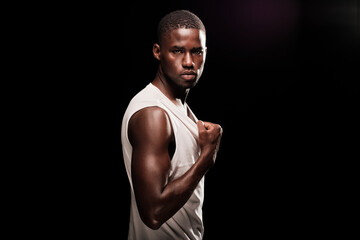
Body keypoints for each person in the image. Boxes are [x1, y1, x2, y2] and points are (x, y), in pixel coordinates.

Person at [121, 10, 223, 240]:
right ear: (158, 52)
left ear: (205, 53)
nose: (189, 62)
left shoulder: (180, 109)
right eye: (177, 51)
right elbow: (153, 214)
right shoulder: (153, 114)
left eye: (196, 52)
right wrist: (206, 159)